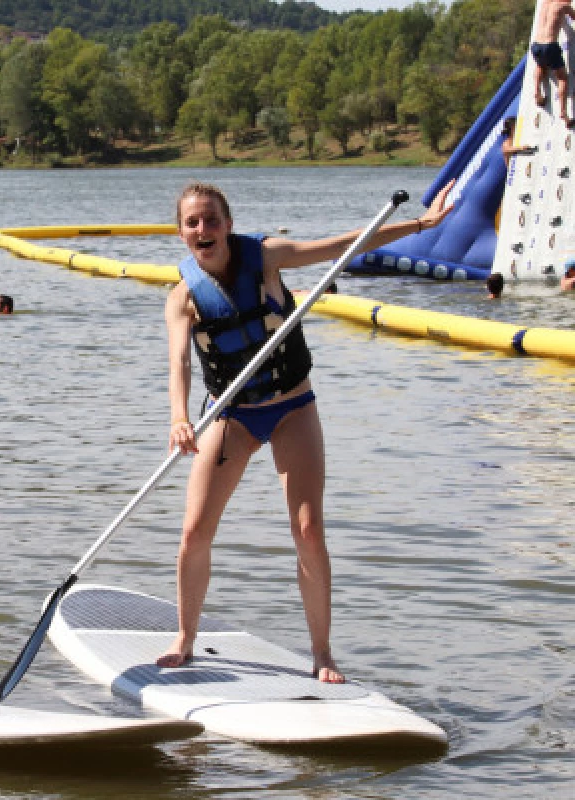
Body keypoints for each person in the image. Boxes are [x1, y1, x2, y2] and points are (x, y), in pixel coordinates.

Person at [158, 180, 454, 684]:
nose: (203, 229)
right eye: (193, 222)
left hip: (293, 406)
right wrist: (179, 417)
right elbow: (179, 362)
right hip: (231, 416)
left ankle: (322, 652)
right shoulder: (182, 298)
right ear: (182, 233)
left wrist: (423, 224)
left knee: (308, 530)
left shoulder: (268, 258)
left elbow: (344, 244)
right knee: (193, 533)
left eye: (211, 219)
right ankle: (185, 637)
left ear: (228, 224)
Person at [532, 0, 575, 126]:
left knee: (540, 66)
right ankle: (563, 112)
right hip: (550, 45)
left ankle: (537, 91)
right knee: (562, 78)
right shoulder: (563, 6)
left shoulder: (545, 4)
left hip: (536, 45)